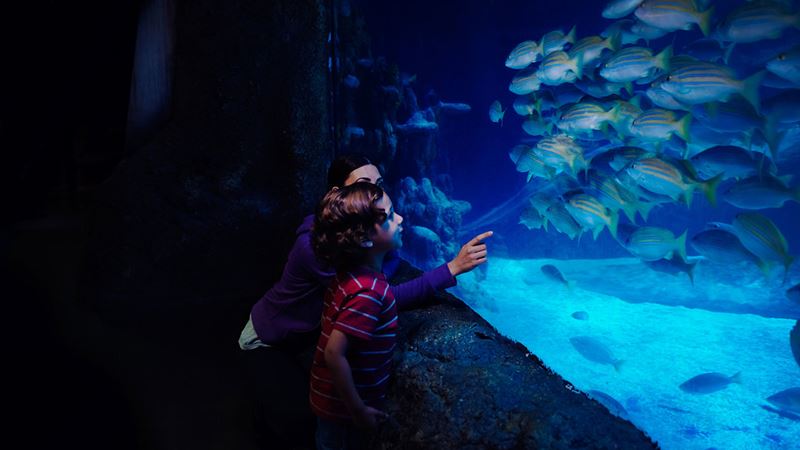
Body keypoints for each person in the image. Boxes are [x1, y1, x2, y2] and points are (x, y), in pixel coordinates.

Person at [238, 154, 492, 448]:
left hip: (307, 333)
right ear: (338, 197)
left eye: (379, 185)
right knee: (299, 426)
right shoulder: (320, 249)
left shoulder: (349, 243)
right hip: (269, 338)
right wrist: (451, 269)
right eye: (364, 186)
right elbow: (384, 298)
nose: (377, 194)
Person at [309, 182, 402, 449]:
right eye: (390, 216)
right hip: (343, 411)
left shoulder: (350, 275)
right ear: (364, 238)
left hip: (331, 401)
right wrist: (358, 410)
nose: (401, 219)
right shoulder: (368, 292)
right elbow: (333, 353)